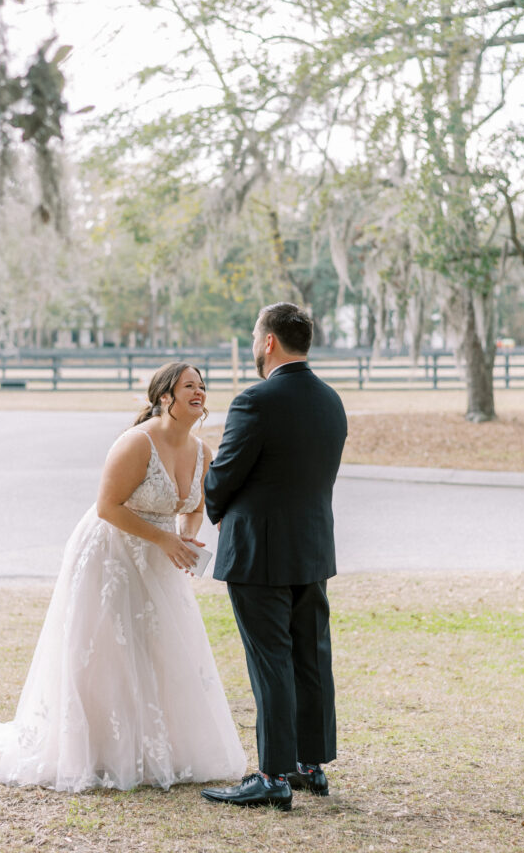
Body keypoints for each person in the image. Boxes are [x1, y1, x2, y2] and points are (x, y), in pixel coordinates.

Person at [0, 363, 246, 792]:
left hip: (160, 559)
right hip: (111, 552)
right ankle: (97, 750)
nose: (200, 392)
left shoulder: (202, 451)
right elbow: (107, 507)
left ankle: (154, 749)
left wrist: (186, 541)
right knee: (108, 651)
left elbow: (194, 506)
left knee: (158, 649)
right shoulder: (137, 443)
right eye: (189, 385)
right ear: (165, 398)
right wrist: (162, 539)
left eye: (202, 386)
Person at [200, 303, 347, 811]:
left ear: (268, 343)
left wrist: (213, 499)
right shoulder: (332, 401)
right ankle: (310, 766)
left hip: (259, 552)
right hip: (311, 548)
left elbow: (224, 477)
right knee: (311, 657)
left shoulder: (255, 401)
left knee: (271, 664)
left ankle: (271, 776)